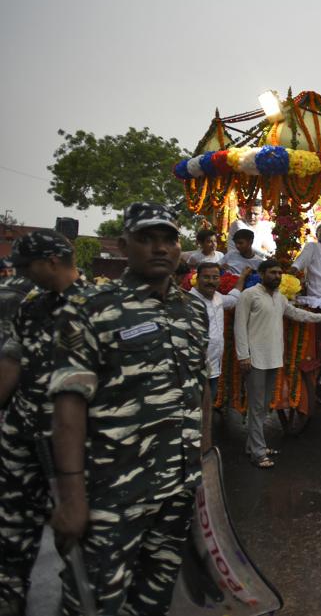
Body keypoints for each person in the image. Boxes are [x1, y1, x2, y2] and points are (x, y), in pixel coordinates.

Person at [46, 203, 211, 615]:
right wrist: (70, 497)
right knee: (94, 602)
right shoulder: (90, 308)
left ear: (180, 247)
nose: (160, 248)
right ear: (123, 245)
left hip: (177, 488)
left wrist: (203, 462)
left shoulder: (193, 311)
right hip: (113, 494)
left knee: (154, 600)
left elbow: (200, 384)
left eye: (168, 239)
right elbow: (68, 403)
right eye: (146, 239)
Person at [0, 231, 85, 614]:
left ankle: (76, 599)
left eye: (24, 266)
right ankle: (9, 593)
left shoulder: (97, 307)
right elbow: (11, 363)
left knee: (78, 533)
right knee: (12, 524)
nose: (19, 274)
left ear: (51, 261)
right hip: (21, 437)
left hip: (73, 445)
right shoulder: (30, 308)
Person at [234, 259, 321, 468]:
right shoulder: (248, 296)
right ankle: (258, 453)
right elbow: (239, 327)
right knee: (257, 406)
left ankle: (253, 445)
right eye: (272, 273)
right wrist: (243, 356)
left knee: (264, 405)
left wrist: (319, 318)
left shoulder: (280, 297)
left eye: (279, 273)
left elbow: (295, 314)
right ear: (261, 274)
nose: (277, 276)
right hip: (254, 359)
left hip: (274, 358)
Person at [189, 262, 246, 402]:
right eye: (206, 277)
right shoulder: (187, 301)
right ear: (197, 278)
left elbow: (234, 298)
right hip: (194, 371)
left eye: (215, 277)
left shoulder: (218, 298)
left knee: (207, 407)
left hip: (213, 368)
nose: (211, 281)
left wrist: (243, 276)